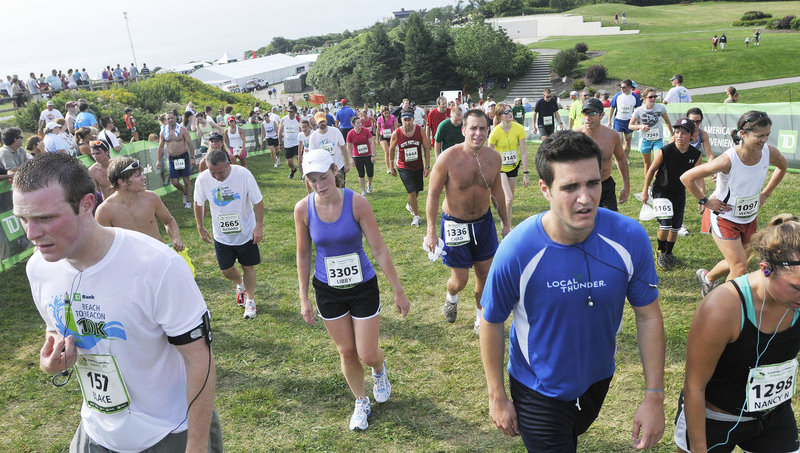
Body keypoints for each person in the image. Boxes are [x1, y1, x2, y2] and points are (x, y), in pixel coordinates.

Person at [12, 153, 220, 453]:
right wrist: (52, 355)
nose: (32, 234)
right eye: (23, 219)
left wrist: (197, 445)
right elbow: (54, 328)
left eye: (46, 218)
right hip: (97, 432)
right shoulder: (39, 268)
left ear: (86, 204)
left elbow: (200, 358)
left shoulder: (157, 265)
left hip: (169, 432)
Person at [479, 130, 665, 452]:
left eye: (592, 183)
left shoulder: (629, 237)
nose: (585, 198)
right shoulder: (518, 250)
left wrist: (654, 397)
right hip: (537, 387)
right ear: (545, 190)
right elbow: (492, 320)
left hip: (597, 379)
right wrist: (497, 396)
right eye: (569, 187)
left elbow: (648, 316)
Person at [294, 148, 410, 431]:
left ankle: (379, 370)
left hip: (362, 287)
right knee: (346, 351)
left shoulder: (357, 203)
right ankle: (361, 400)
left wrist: (398, 289)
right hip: (328, 290)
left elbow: (379, 249)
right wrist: (303, 298)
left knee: (367, 354)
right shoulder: (303, 209)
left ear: (336, 171)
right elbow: (303, 254)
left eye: (323, 177)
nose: (319, 185)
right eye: (312, 180)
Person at [675, 217, 800, 453]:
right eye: (796, 287)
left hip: (773, 415)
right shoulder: (722, 308)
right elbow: (694, 385)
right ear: (766, 269)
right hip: (714, 419)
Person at [681, 111, 788, 297]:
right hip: (724, 217)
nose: (764, 140)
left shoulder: (768, 152)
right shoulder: (728, 159)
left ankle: (707, 278)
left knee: (741, 261)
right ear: (743, 134)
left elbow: (782, 166)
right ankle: (722, 304)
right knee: (740, 268)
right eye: (759, 136)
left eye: (767, 135)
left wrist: (765, 194)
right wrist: (706, 201)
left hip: (748, 217)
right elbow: (687, 177)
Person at [424, 109, 510, 333]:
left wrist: (506, 223)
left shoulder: (494, 158)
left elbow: (498, 193)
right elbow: (433, 195)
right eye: (473, 128)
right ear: (464, 130)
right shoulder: (447, 158)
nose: (478, 133)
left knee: (484, 274)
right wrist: (431, 231)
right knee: (460, 280)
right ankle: (451, 296)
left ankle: (480, 319)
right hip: (455, 224)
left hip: (483, 222)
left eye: (482, 128)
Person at [194, 149, 264, 319]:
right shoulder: (203, 179)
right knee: (226, 270)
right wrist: (200, 227)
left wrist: (259, 226)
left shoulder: (243, 174)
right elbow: (198, 202)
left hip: (246, 232)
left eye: (220, 172)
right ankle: (240, 284)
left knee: (248, 267)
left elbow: (258, 201)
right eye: (213, 173)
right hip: (221, 235)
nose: (217, 177)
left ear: (228, 164)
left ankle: (250, 300)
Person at [642, 118, 702, 270]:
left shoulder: (695, 155)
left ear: (692, 136)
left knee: (675, 227)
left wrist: (701, 198)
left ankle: (669, 253)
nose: (679, 135)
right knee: (665, 224)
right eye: (677, 132)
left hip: (679, 193)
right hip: (661, 191)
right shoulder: (665, 151)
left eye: (683, 132)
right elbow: (651, 171)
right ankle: (660, 252)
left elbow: (699, 177)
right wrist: (645, 191)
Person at [96, 156, 186, 253]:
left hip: (159, 256)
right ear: (122, 181)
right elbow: (104, 246)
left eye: (142, 174)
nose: (144, 177)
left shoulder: (151, 198)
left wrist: (176, 238)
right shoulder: (104, 211)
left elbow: (169, 221)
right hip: (131, 264)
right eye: (138, 175)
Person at [579, 98, 630, 212]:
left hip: (605, 186)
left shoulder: (612, 136)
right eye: (585, 113)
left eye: (592, 113)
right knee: (585, 226)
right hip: (584, 188)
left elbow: (621, 159)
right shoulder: (576, 137)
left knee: (610, 225)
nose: (588, 117)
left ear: (602, 115)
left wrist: (626, 186)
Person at [388, 109, 431, 227]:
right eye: (404, 120)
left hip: (418, 165)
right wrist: (391, 166)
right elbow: (391, 149)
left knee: (417, 190)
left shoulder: (420, 130)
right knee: (411, 190)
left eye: (409, 119)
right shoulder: (396, 133)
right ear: (401, 120)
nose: (407, 122)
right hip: (403, 166)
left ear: (413, 119)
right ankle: (416, 216)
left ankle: (410, 204)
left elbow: (427, 148)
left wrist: (427, 166)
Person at [489, 103, 529, 226]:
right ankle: (506, 226)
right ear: (500, 116)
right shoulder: (495, 132)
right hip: (500, 168)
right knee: (509, 198)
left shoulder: (519, 128)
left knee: (509, 201)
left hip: (514, 166)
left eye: (510, 111)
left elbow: (523, 153)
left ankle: (507, 224)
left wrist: (526, 173)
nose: (510, 113)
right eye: (506, 112)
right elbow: (489, 154)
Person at [629, 87, 673, 175]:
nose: (653, 99)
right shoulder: (639, 110)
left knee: (658, 163)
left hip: (658, 139)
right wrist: (640, 126)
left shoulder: (661, 107)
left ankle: (657, 185)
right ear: (644, 98)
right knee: (647, 164)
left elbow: (667, 122)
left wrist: (672, 135)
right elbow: (630, 126)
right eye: (650, 97)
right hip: (645, 140)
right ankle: (648, 186)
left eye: (654, 96)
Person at [156, 111, 196, 209]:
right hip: (172, 159)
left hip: (183, 156)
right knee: (175, 182)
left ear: (175, 118)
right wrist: (158, 160)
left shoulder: (182, 130)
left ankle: (188, 201)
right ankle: (185, 192)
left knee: (186, 180)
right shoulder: (164, 131)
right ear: (166, 120)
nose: (170, 120)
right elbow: (160, 147)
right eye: (168, 118)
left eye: (171, 118)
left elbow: (190, 144)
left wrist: (192, 157)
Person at [309, 112, 349, 188]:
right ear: (316, 122)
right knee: (328, 190)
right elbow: (312, 155)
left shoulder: (335, 131)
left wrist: (347, 163)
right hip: (323, 168)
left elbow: (343, 147)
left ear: (326, 120)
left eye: (323, 121)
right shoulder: (313, 137)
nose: (322, 123)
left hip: (338, 165)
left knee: (341, 189)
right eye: (320, 122)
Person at [608, 79, 641, 159]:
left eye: (624, 87)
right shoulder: (617, 96)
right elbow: (612, 107)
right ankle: (618, 159)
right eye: (621, 87)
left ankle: (625, 160)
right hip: (618, 121)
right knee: (619, 142)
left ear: (630, 87)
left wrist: (638, 121)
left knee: (628, 141)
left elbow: (639, 109)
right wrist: (609, 121)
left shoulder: (635, 97)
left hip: (629, 122)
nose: (622, 89)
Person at [346, 116, 375, 196]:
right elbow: (349, 147)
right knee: (361, 173)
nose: (360, 124)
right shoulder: (350, 134)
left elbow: (371, 142)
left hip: (368, 154)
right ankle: (363, 189)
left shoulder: (366, 131)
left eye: (361, 122)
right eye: (358, 123)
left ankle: (369, 183)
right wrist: (351, 159)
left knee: (370, 172)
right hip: (357, 156)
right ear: (353, 124)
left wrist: (372, 155)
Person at [278, 105, 301, 179]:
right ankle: (293, 170)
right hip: (288, 143)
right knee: (289, 161)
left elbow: (301, 130)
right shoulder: (284, 119)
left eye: (291, 112)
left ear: (295, 112)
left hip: (297, 142)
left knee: (299, 158)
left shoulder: (298, 119)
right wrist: (280, 143)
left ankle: (302, 175)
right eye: (288, 111)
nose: (289, 113)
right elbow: (280, 131)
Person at [376, 106, 398, 174]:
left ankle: (392, 166)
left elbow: (396, 128)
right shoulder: (379, 119)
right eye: (385, 113)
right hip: (383, 136)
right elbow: (378, 129)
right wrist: (377, 138)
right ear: (382, 113)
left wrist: (397, 137)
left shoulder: (393, 117)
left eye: (387, 113)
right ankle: (388, 168)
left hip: (391, 136)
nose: (386, 114)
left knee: (392, 152)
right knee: (387, 152)